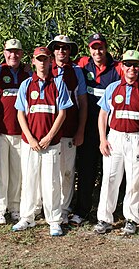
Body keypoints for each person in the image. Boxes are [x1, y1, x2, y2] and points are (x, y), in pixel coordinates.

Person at [94, 50, 139, 235]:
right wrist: (102, 138)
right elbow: (103, 114)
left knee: (134, 180)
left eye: (136, 65)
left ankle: (131, 218)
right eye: (128, 64)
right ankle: (104, 219)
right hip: (114, 137)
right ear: (122, 66)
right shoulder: (112, 88)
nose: (132, 68)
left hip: (137, 138)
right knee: (110, 178)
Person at [11, 47, 73, 236]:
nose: (42, 63)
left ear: (50, 62)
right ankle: (26, 218)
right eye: (39, 59)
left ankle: (54, 220)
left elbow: (62, 113)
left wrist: (48, 137)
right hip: (30, 142)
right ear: (33, 62)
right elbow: (20, 113)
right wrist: (30, 138)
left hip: (51, 143)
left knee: (52, 182)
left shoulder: (58, 84)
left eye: (45, 59)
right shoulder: (26, 84)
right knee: (29, 179)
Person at [69, 33, 124, 225]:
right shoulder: (83, 64)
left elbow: (137, 74)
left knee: (112, 173)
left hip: (112, 132)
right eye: (94, 48)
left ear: (106, 47)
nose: (97, 51)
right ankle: (82, 211)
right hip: (87, 129)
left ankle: (112, 211)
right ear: (89, 49)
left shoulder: (118, 68)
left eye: (100, 47)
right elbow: (61, 64)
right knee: (86, 171)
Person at [0, 39, 30, 225]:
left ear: (22, 54)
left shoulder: (28, 74)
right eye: (10, 51)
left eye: (17, 52)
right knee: (0, 172)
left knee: (18, 172)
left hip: (21, 133)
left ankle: (15, 208)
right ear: (4, 53)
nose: (13, 55)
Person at [46, 35, 87, 224]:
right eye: (58, 48)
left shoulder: (77, 72)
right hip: (47, 132)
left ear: (70, 52)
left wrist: (80, 130)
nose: (61, 51)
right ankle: (46, 205)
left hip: (69, 130)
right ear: (53, 51)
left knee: (67, 171)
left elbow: (83, 102)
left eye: (65, 48)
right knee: (48, 171)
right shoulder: (45, 67)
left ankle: (63, 208)